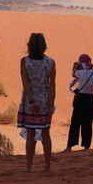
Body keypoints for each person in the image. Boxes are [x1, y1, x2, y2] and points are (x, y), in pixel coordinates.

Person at [17, 33, 56, 173]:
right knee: (46, 133)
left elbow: (25, 83)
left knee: (31, 133)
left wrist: (31, 101)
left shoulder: (24, 61)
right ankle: (47, 167)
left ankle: (28, 167)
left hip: (30, 101)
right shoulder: (50, 62)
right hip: (45, 100)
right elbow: (52, 85)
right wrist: (51, 105)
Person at [64, 54, 93, 151]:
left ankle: (69, 146)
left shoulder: (79, 73)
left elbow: (73, 73)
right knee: (87, 123)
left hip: (80, 99)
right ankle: (86, 146)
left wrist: (75, 65)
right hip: (89, 99)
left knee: (75, 123)